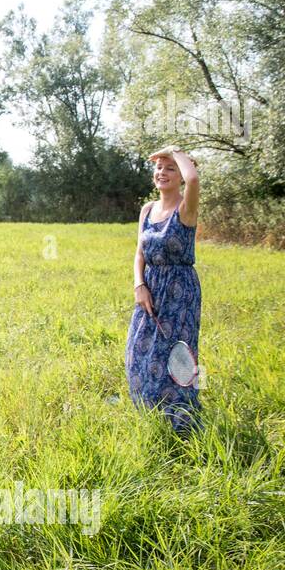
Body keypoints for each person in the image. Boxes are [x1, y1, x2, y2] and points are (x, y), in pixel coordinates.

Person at [126, 145, 201, 435]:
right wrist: (139, 284)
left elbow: (194, 180)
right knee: (139, 350)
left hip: (180, 291)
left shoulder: (186, 207)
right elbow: (139, 253)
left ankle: (181, 420)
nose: (162, 172)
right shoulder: (147, 210)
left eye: (170, 168)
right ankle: (148, 409)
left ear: (181, 174)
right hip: (150, 287)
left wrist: (175, 151)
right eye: (159, 168)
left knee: (176, 355)